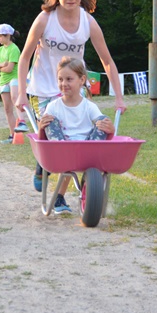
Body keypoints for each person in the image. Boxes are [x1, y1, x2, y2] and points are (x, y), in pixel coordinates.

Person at [15, 0, 125, 192]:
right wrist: (21, 94)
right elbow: (24, 57)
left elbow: (107, 61)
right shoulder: (45, 19)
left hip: (74, 87)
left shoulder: (88, 22)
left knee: (77, 140)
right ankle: (43, 163)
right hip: (43, 88)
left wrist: (119, 98)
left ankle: (64, 194)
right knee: (54, 133)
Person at [37, 57, 115, 213]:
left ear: (82, 80)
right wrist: (41, 128)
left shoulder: (89, 106)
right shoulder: (53, 107)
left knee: (103, 121)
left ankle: (85, 194)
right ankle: (57, 192)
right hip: (62, 150)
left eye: (69, 79)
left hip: (88, 151)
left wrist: (110, 129)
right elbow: (43, 138)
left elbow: (103, 127)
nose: (64, 83)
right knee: (49, 121)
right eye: (60, 79)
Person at [0, 23, 28, 144]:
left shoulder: (14, 49)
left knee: (15, 98)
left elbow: (10, 69)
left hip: (14, 78)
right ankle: (12, 135)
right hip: (3, 80)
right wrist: (1, 65)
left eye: (0, 36)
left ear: (8, 36)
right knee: (7, 109)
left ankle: (22, 122)